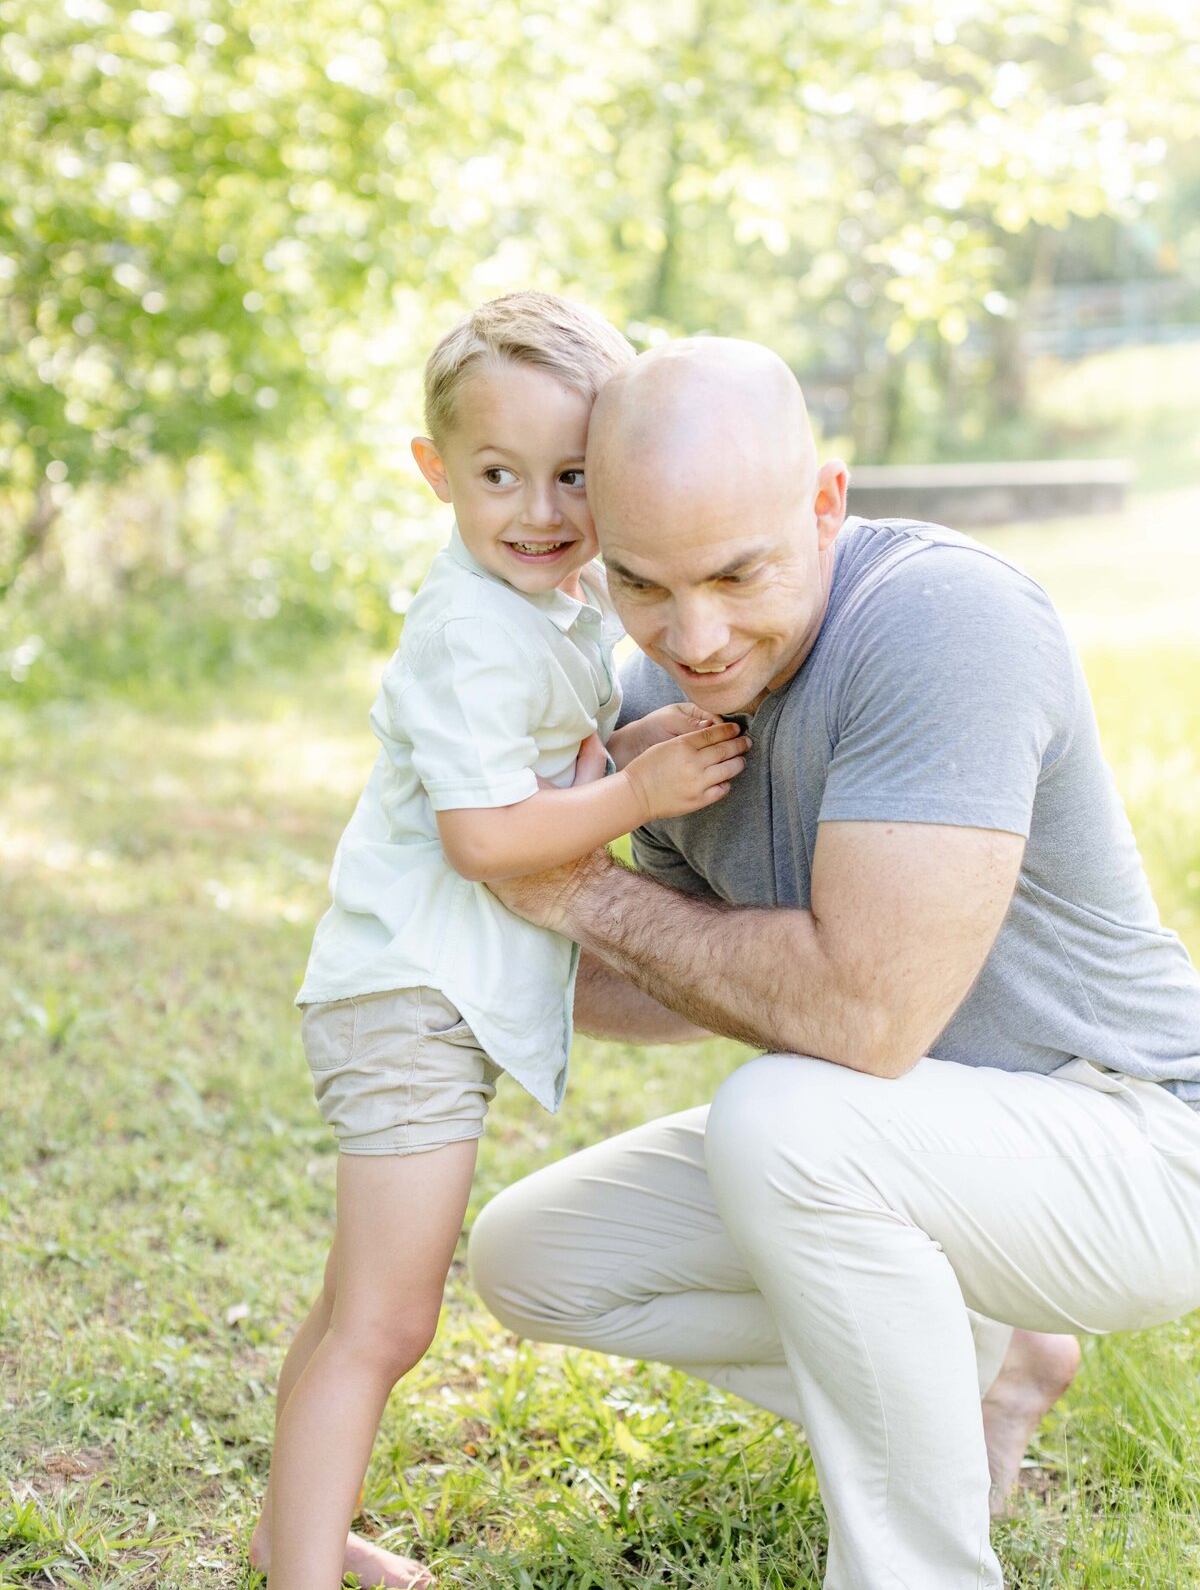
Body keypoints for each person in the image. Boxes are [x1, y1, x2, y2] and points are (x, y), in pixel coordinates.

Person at [468, 335, 1200, 1590]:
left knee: (785, 1115)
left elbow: (865, 1016)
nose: (695, 635)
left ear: (825, 503)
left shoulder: (942, 620)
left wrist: (584, 889)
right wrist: (467, 893)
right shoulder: (663, 698)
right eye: (643, 583)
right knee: (534, 1259)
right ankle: (981, 1359)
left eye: (737, 573)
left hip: (1141, 1146)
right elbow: (690, 971)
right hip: (921, 1148)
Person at [250, 297, 750, 1590]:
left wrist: (638, 754)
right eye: (497, 475)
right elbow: (486, 835)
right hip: (407, 1003)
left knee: (355, 1302)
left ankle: (295, 1534)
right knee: (387, 1319)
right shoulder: (472, 628)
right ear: (436, 474)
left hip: (421, 993)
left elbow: (555, 763)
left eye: (574, 475)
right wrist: (636, 799)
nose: (541, 508)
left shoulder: (550, 610)